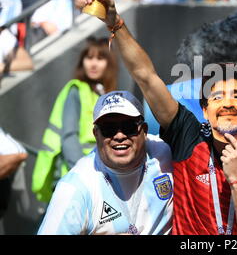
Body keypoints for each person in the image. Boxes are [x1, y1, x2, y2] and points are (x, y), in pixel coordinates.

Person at [85, 0, 237, 235]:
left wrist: (236, 180)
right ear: (204, 110)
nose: (226, 103)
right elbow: (146, 76)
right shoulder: (188, 137)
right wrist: (115, 24)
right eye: (217, 97)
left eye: (236, 96)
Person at [38, 90, 173, 234]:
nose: (120, 136)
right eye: (109, 129)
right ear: (96, 134)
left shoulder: (167, 152)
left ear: (144, 130)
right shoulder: (75, 187)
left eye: (129, 127)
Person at [31, 37, 118, 203]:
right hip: (76, 176)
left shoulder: (103, 94)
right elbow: (69, 138)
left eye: (100, 58)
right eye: (89, 58)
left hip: (99, 175)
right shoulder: (76, 90)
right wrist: (84, 175)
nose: (93, 64)